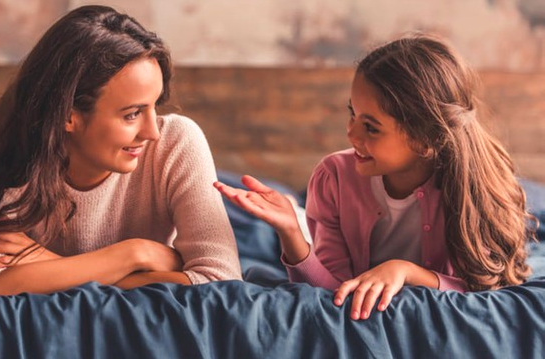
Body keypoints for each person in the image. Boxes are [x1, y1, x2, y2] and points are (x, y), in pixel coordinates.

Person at [0, 5, 242, 295]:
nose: (152, 132)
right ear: (67, 115)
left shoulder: (177, 143)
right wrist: (134, 255)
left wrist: (50, 263)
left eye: (153, 106)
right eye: (131, 114)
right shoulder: (7, 154)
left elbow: (222, 285)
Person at [215, 34, 533, 320]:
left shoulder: (474, 190)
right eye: (352, 113)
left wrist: (406, 272)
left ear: (425, 140)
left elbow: (484, 289)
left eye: (371, 127)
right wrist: (291, 234)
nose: (350, 133)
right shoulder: (333, 177)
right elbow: (330, 291)